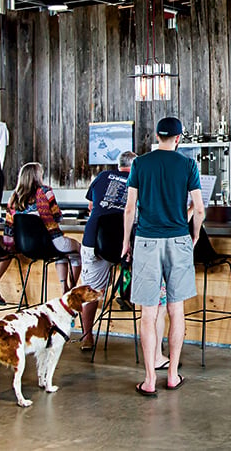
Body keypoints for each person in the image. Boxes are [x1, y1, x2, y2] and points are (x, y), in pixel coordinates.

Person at [124, 117, 204, 395]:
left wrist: (126, 242)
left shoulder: (139, 164)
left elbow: (130, 208)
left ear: (156, 136)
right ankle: (171, 375)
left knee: (148, 312)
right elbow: (199, 208)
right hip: (179, 239)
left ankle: (149, 380)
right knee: (176, 309)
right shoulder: (188, 165)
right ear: (179, 138)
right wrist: (192, 235)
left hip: (146, 240)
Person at [79, 150, 158, 355]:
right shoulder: (140, 182)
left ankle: (87, 337)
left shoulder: (103, 176)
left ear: (119, 164)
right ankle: (126, 290)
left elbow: (90, 206)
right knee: (143, 265)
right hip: (125, 245)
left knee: (91, 290)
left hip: (94, 240)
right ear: (136, 166)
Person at [5, 162, 82, 293]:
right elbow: (57, 217)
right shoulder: (45, 191)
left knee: (62, 255)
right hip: (52, 243)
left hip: (26, 247)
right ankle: (71, 291)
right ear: (37, 176)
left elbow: (9, 225)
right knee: (79, 250)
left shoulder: (14, 198)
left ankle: (65, 287)